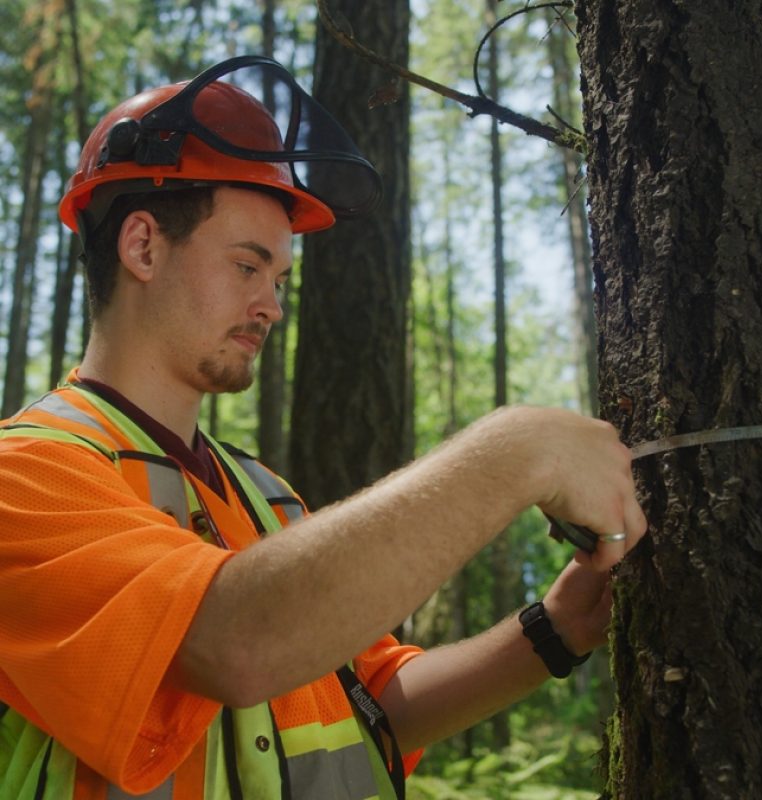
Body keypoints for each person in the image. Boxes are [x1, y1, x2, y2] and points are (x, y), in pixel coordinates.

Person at [0, 56, 646, 799]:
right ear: (143, 246)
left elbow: (376, 706)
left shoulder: (263, 497)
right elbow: (234, 643)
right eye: (248, 266)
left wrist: (553, 631)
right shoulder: (25, 477)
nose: (273, 306)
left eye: (278, 280)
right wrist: (516, 452)